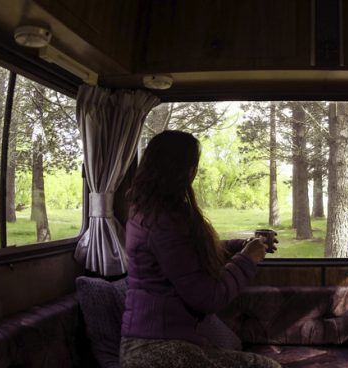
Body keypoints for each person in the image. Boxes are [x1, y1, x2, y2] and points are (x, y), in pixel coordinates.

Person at [120, 130, 281, 368]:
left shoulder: (153, 211)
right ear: (181, 170)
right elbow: (208, 297)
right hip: (153, 348)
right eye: (193, 165)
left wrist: (240, 247)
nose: (195, 173)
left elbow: (186, 255)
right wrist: (247, 260)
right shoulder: (162, 222)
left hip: (163, 338)